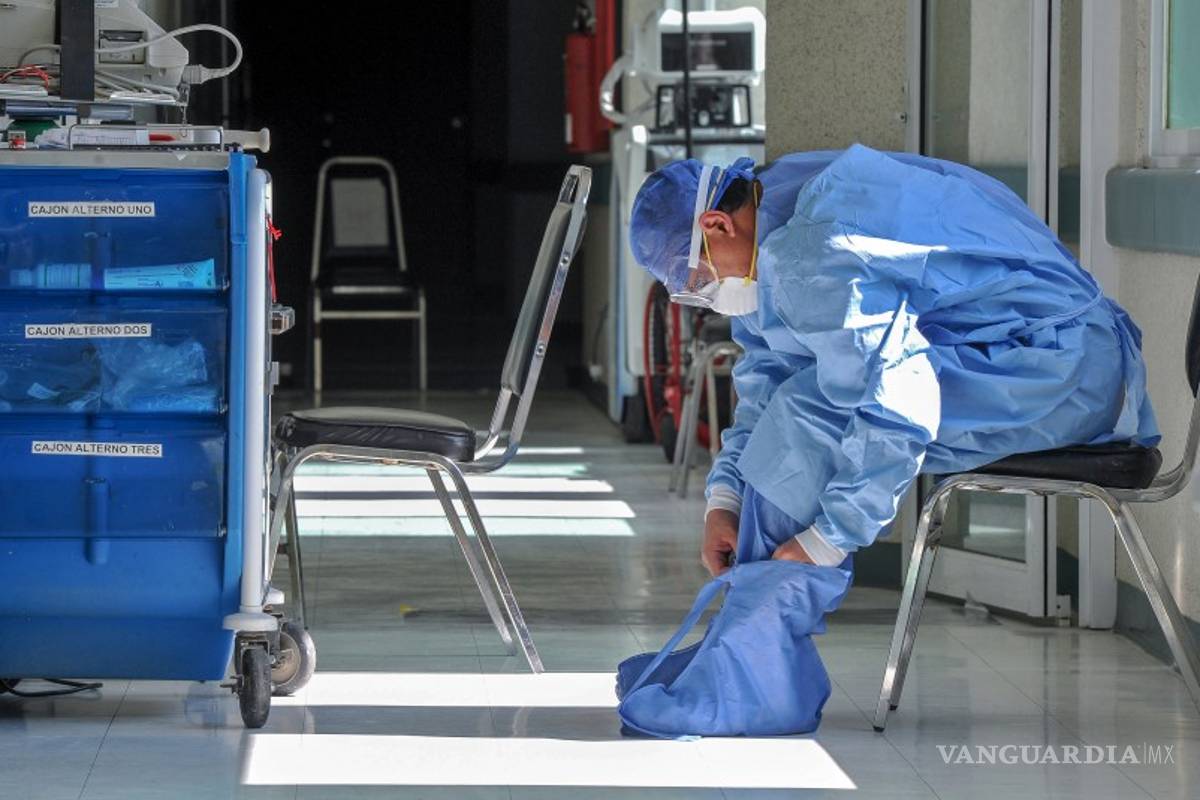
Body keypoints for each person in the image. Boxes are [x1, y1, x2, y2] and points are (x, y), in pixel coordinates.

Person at [629, 144, 1159, 575]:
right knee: (804, 404)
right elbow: (769, 376)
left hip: (1060, 371)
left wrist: (830, 537)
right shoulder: (776, 206)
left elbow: (892, 399)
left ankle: (757, 637)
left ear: (718, 224)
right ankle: (755, 628)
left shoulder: (806, 250)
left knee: (817, 414)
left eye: (694, 280)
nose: (704, 293)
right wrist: (726, 498)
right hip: (1041, 355)